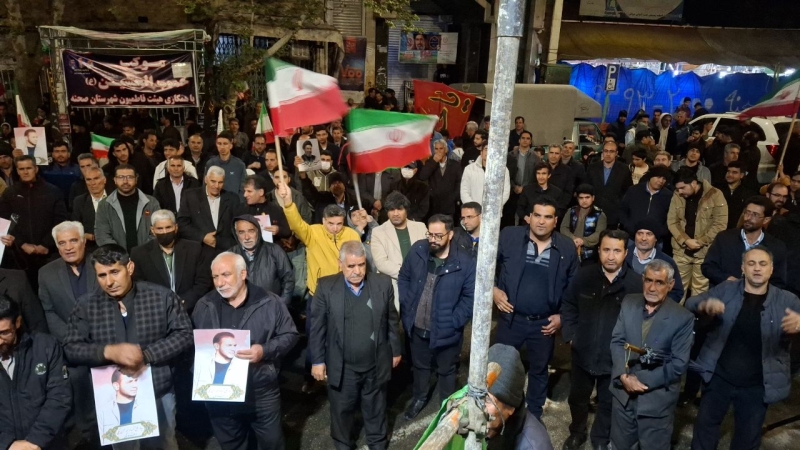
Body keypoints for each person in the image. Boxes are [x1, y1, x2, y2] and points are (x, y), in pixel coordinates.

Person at [64, 244, 193, 450]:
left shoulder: (160, 297)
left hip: (158, 390)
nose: (109, 282)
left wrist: (146, 355)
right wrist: (107, 351)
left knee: (164, 444)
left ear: (130, 268)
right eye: (102, 275)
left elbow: (184, 334)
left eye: (115, 272)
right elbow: (71, 347)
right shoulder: (86, 305)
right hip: (112, 397)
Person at [687, 246, 800, 449]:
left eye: (762, 264)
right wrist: (704, 305)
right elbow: (691, 302)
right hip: (719, 377)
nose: (757, 268)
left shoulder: (788, 300)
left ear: (771, 269)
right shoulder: (727, 289)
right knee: (704, 433)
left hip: (757, 385)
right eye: (751, 263)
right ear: (742, 268)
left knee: (747, 440)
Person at [192, 252, 299, 450]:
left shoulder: (270, 302)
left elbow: (290, 335)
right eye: (215, 277)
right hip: (219, 395)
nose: (220, 283)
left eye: (226, 275)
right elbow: (193, 345)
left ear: (243, 274)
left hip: (260, 390)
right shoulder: (205, 305)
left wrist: (264, 351)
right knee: (231, 444)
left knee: (271, 444)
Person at [310, 241, 402, 449]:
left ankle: (377, 443)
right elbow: (317, 328)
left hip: (375, 364)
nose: (357, 271)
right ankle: (343, 444)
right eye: (351, 266)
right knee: (342, 413)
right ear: (340, 264)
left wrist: (395, 350)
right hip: (344, 368)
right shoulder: (326, 287)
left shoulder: (382, 284)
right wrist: (317, 361)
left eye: (361, 265)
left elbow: (391, 320)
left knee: (376, 410)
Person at [494, 197, 578, 418]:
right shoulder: (510, 236)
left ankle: (533, 416)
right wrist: (493, 289)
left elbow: (573, 289)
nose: (541, 221)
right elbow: (487, 263)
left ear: (555, 221)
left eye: (547, 217)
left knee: (539, 371)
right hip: (511, 318)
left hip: (544, 324)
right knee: (499, 367)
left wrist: (562, 316)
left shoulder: (566, 247)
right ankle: (496, 413)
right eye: (537, 215)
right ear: (529, 217)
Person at [561, 230, 642, 450]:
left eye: (617, 251)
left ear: (626, 253)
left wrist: (629, 354)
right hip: (583, 352)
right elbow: (568, 304)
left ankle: (600, 439)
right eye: (606, 250)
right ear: (599, 251)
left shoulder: (635, 285)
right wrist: (571, 335)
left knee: (608, 402)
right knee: (577, 398)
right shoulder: (584, 276)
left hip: (614, 358)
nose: (611, 256)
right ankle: (577, 432)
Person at [608, 260, 695, 450]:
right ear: (643, 280)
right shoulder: (629, 302)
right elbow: (617, 341)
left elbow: (679, 364)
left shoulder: (682, 317)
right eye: (648, 280)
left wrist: (637, 380)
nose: (652, 288)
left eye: (659, 282)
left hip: (656, 402)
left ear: (670, 285)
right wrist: (623, 376)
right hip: (623, 395)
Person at [399, 214, 476, 420]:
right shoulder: (418, 250)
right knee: (420, 366)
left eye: (438, 236)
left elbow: (470, 298)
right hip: (417, 326)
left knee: (446, 370)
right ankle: (419, 398)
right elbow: (404, 277)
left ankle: (447, 405)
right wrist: (407, 304)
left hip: (446, 330)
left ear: (450, 235)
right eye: (430, 234)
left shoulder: (465, 262)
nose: (432, 239)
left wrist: (454, 321)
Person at [0, 296, 72, 450]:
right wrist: (7, 444)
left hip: (48, 444)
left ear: (17, 322)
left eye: (4, 333)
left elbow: (59, 397)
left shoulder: (45, 346)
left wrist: (35, 441)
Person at [276, 181, 361, 297]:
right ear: (323, 220)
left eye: (339, 224)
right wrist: (288, 203)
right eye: (331, 223)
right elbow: (296, 224)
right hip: (318, 292)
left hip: (345, 291)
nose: (335, 228)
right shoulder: (313, 232)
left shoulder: (352, 235)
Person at [0, 155, 68, 283]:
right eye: (21, 169)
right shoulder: (9, 193)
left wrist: (46, 244)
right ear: (17, 171)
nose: (25, 172)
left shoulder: (53, 191)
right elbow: (4, 221)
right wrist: (22, 244)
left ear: (36, 169)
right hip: (19, 256)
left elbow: (61, 221)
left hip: (49, 254)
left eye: (29, 168)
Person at [130, 209, 211, 313]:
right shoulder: (139, 253)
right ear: (152, 230)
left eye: (168, 227)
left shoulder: (194, 249)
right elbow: (139, 286)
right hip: (156, 309)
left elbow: (203, 282)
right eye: (160, 229)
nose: (164, 232)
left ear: (176, 228)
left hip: (190, 309)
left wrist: (183, 303)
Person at [702, 196, 788, 289]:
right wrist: (726, 279)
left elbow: (778, 281)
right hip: (724, 292)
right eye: (747, 213)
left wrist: (758, 289)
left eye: (755, 215)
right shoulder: (724, 238)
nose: (748, 218)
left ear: (766, 220)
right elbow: (708, 267)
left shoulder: (776, 247)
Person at [667, 167, 728, 300]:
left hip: (705, 252)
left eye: (682, 188)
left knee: (700, 293)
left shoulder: (715, 195)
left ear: (694, 183)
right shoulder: (677, 195)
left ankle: (694, 314)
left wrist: (700, 242)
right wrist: (685, 240)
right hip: (681, 251)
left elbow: (720, 224)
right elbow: (672, 221)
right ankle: (674, 313)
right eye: (677, 189)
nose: (680, 192)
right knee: (676, 289)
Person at [369, 191, 428, 310]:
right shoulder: (378, 232)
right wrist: (408, 274)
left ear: (406, 210)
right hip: (394, 285)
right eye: (391, 210)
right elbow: (381, 263)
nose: (395, 213)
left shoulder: (420, 227)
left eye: (399, 209)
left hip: (421, 284)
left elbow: (429, 254)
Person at [228, 215, 294, 306]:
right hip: (241, 310)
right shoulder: (230, 255)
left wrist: (282, 305)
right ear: (236, 234)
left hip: (271, 309)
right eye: (241, 232)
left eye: (251, 231)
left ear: (258, 231)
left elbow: (288, 279)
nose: (246, 237)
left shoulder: (275, 251)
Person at [94, 164, 161, 251]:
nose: (125, 181)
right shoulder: (104, 205)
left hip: (147, 254)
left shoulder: (151, 202)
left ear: (136, 179)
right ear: (115, 180)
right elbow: (102, 235)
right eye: (121, 177)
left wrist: (142, 253)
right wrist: (119, 255)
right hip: (116, 256)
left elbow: (158, 230)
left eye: (130, 177)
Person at [177, 166, 239, 255]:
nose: (216, 186)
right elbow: (182, 224)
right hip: (198, 251)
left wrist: (221, 243)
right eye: (213, 181)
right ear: (206, 179)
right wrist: (203, 237)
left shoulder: (232, 199)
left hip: (225, 251)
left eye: (220, 182)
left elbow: (236, 227)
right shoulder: (190, 196)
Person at [624, 216, 684, 302]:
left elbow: (677, 292)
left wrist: (657, 306)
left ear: (655, 238)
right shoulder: (623, 256)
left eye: (649, 234)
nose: (644, 238)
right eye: (640, 233)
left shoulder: (667, 262)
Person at [618, 165, 673, 242]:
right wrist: (629, 227)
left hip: (656, 239)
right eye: (658, 177)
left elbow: (671, 217)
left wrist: (661, 232)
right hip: (631, 237)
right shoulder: (634, 190)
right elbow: (622, 210)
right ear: (651, 176)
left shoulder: (668, 195)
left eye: (664, 178)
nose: (661, 181)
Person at [587, 140, 633, 229]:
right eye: (606, 151)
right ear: (602, 152)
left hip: (614, 214)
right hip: (593, 212)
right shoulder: (592, 167)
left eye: (611, 151)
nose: (608, 154)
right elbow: (587, 188)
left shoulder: (624, 169)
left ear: (616, 153)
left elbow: (627, 191)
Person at [561, 184, 607, 264]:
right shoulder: (571, 211)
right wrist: (573, 239)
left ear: (593, 198)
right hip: (569, 249)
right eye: (581, 198)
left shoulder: (600, 215)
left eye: (587, 197)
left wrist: (583, 241)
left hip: (590, 254)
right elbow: (563, 228)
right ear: (577, 199)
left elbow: (599, 234)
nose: (584, 200)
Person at [237, 174, 291, 241]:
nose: (245, 195)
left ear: (261, 192)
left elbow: (287, 232)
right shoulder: (241, 209)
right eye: (244, 191)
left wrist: (278, 230)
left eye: (249, 191)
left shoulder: (275, 209)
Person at [418, 139, 462, 219]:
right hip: (434, 205)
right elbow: (422, 176)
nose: (438, 151)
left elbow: (459, 183)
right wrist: (434, 162)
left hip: (449, 205)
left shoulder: (455, 165)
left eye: (441, 148)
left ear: (446, 150)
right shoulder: (430, 163)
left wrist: (453, 198)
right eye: (436, 149)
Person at [505, 130, 540, 228]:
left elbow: (536, 177)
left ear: (531, 141)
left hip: (528, 192)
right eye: (523, 138)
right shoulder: (510, 155)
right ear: (519, 140)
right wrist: (514, 186)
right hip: (511, 191)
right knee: (509, 217)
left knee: (524, 219)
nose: (525, 140)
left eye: (528, 138)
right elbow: (506, 175)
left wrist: (524, 188)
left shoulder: (536, 158)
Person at [206, 131, 247, 199]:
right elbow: (205, 186)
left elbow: (243, 189)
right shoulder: (210, 163)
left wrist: (238, 203)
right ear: (216, 145)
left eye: (225, 144)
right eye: (219, 143)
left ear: (231, 145)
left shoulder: (240, 165)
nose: (222, 147)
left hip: (234, 203)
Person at [718, 160, 756, 229]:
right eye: (728, 171)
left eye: (734, 172)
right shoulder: (717, 190)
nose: (730, 175)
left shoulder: (748, 193)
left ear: (741, 175)